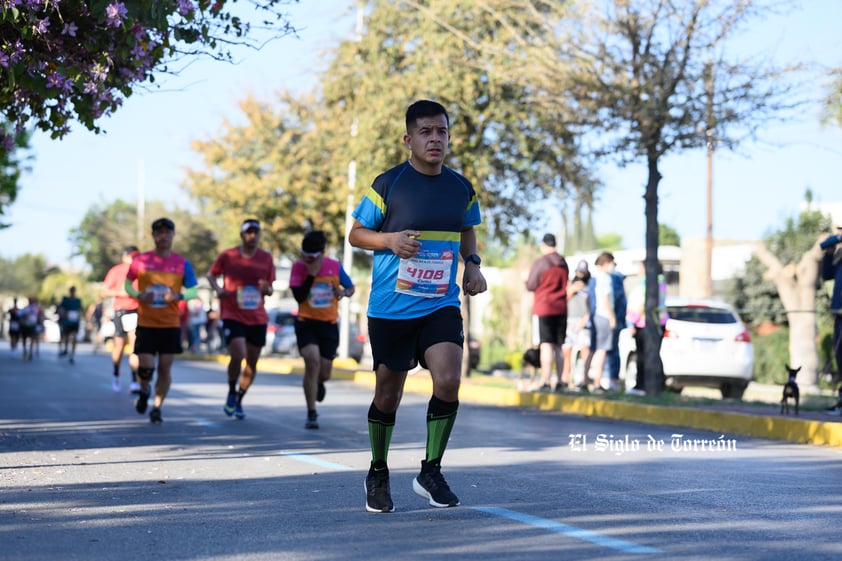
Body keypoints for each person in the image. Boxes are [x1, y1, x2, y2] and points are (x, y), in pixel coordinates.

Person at [348, 99, 487, 513]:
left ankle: (431, 470)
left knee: (448, 380)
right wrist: (388, 240)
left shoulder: (461, 188)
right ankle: (378, 471)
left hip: (439, 304)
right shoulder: (388, 184)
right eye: (426, 132)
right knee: (388, 395)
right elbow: (356, 234)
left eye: (441, 131)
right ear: (409, 139)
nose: (435, 139)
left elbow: (467, 231)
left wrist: (473, 266)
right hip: (391, 308)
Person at [124, 218, 199, 424]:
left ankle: (157, 407)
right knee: (146, 369)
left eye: (167, 232)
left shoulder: (182, 263)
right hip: (147, 323)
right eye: (159, 232)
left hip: (170, 324)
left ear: (173, 235)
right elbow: (128, 284)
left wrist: (179, 296)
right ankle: (144, 390)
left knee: (165, 368)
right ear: (153, 236)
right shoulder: (141, 260)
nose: (163, 236)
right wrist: (138, 296)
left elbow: (193, 290)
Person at [207, 218, 276, 420]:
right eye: (248, 232)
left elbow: (270, 288)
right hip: (232, 312)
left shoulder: (266, 258)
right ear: (241, 235)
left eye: (256, 232)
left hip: (257, 316)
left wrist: (267, 289)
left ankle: (239, 398)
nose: (252, 236)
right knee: (238, 354)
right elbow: (211, 275)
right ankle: (231, 389)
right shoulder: (228, 255)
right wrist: (218, 289)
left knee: (252, 363)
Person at [289, 230, 355, 429]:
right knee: (312, 360)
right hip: (306, 322)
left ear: (322, 252)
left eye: (313, 256)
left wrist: (343, 292)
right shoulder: (298, 267)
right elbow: (299, 297)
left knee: (324, 372)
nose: (308, 259)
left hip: (329, 324)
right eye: (305, 255)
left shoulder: (334, 266)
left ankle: (318, 383)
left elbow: (351, 288)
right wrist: (310, 276)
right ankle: (312, 413)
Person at [525, 233, 569, 391]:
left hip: (544, 307)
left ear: (544, 245)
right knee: (559, 346)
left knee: (546, 345)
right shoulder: (563, 262)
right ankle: (561, 381)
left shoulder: (541, 262)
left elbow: (531, 284)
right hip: (561, 307)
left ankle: (546, 380)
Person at [101, 246, 141, 393]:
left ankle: (134, 381)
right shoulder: (116, 271)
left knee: (135, 346)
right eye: (131, 256)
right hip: (121, 311)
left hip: (136, 310)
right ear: (125, 257)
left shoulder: (141, 270)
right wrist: (122, 293)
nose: (134, 259)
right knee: (119, 345)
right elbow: (104, 291)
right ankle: (116, 373)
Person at [625, 260, 667, 395]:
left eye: (640, 268)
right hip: (656, 322)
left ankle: (641, 385)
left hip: (645, 323)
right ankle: (657, 384)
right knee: (653, 354)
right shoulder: (660, 282)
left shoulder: (648, 283)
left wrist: (631, 322)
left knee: (643, 355)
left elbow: (639, 303)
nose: (638, 271)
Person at [585, 252, 617, 393]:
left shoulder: (596, 279)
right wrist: (612, 317)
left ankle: (585, 381)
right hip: (604, 316)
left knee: (594, 349)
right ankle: (597, 383)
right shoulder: (606, 279)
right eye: (612, 263)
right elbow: (605, 300)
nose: (613, 266)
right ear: (606, 263)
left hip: (596, 315)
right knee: (601, 350)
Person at [562, 260, 592, 390]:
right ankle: (564, 380)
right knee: (566, 352)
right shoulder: (570, 285)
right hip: (569, 322)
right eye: (579, 272)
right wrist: (572, 289)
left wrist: (586, 318)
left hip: (583, 322)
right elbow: (563, 300)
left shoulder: (590, 286)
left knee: (585, 351)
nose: (581, 274)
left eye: (583, 272)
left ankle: (585, 381)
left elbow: (592, 305)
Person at [822, 226, 842, 415]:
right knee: (840, 359)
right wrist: (829, 253)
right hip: (839, 316)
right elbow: (826, 274)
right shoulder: (840, 257)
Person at [57, 286, 83, 364]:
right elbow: (61, 309)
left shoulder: (78, 301)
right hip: (67, 322)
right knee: (66, 337)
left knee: (74, 338)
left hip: (75, 322)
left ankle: (72, 355)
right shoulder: (66, 300)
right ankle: (65, 349)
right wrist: (64, 314)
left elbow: (80, 309)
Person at [19, 296, 43, 361]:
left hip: (32, 326)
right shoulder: (26, 308)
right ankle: (25, 351)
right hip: (25, 326)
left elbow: (40, 316)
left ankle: (30, 352)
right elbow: (19, 314)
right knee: (24, 339)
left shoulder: (36, 308)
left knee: (32, 338)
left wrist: (39, 322)